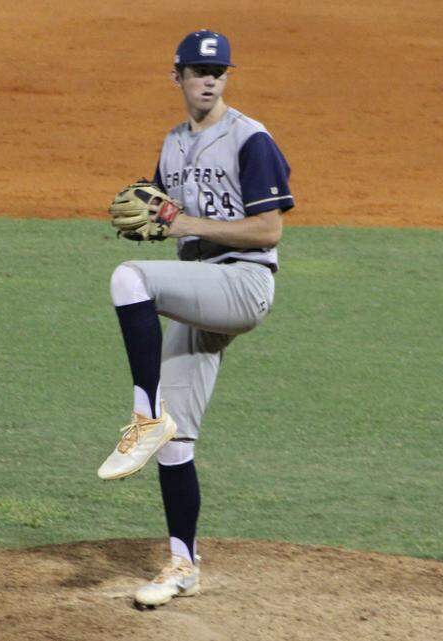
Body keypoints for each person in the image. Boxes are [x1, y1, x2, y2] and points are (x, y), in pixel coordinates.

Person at [97, 29, 294, 608]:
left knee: (129, 278)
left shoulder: (250, 139)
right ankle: (183, 564)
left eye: (219, 72)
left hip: (243, 281)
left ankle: (140, 416)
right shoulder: (172, 145)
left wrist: (184, 227)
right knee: (177, 439)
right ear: (177, 76)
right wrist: (150, 214)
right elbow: (150, 210)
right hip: (199, 291)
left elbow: (269, 230)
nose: (209, 80)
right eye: (198, 71)